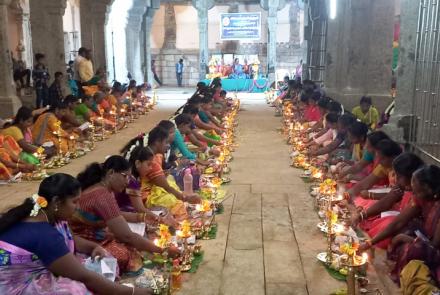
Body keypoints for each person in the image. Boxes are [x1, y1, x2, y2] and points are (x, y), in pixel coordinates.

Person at [0, 173, 151, 294]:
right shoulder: (44, 234)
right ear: (57, 202)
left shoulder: (48, 214)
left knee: (104, 259)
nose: (78, 207)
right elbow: (83, 276)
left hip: (41, 267)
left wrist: (93, 247)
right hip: (15, 286)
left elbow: (72, 239)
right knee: (75, 289)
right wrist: (131, 292)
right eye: (75, 202)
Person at [70, 155, 178, 273]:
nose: (127, 182)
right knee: (124, 254)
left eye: (129, 177)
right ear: (111, 173)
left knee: (139, 241)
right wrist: (163, 250)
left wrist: (142, 217)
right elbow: (127, 236)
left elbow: (115, 214)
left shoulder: (105, 190)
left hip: (98, 234)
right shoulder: (101, 195)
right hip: (83, 241)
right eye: (125, 176)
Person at [360, 165, 440, 285]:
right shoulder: (421, 198)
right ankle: (400, 268)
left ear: (429, 190)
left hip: (435, 249)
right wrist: (370, 243)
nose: (413, 193)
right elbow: (399, 222)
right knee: (401, 229)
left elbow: (434, 246)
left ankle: (404, 279)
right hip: (424, 238)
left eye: (416, 191)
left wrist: (403, 238)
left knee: (411, 248)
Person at [351, 153, 424, 249]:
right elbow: (386, 201)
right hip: (398, 219)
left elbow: (398, 222)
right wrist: (361, 216)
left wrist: (370, 243)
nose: (396, 179)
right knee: (376, 213)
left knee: (388, 223)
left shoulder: (419, 195)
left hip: (412, 231)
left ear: (410, 177)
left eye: (398, 176)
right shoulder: (402, 186)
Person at [141, 127, 201, 219]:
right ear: (157, 142)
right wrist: (186, 198)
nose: (168, 146)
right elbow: (166, 187)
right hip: (146, 196)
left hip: (154, 188)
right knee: (173, 200)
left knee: (170, 179)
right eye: (166, 142)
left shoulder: (156, 154)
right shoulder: (151, 159)